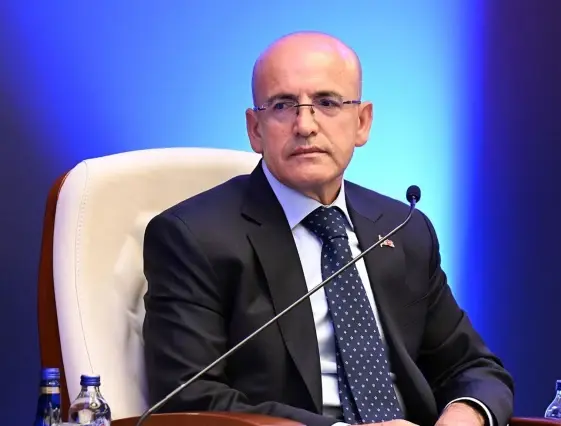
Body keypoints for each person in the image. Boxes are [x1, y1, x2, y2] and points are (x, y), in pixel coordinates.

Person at [142, 31, 514, 426]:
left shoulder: (403, 229)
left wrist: (465, 415)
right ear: (255, 129)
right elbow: (189, 397)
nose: (305, 125)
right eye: (283, 105)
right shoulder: (193, 238)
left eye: (326, 102)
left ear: (362, 122)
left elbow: (472, 367)